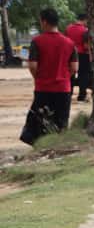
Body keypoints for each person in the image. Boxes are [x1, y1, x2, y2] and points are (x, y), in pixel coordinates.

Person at [25, 8, 78, 140]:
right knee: (61, 122)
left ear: (44, 22)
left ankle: (42, 145)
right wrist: (65, 77)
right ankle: (60, 145)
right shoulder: (70, 43)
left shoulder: (37, 41)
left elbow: (33, 65)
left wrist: (38, 77)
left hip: (43, 88)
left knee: (41, 121)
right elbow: (74, 68)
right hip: (63, 89)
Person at [65, 13, 90, 102]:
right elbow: (86, 46)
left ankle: (69, 94)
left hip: (70, 53)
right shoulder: (85, 30)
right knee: (83, 75)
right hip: (82, 54)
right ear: (85, 20)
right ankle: (82, 95)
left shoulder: (68, 28)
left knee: (70, 74)